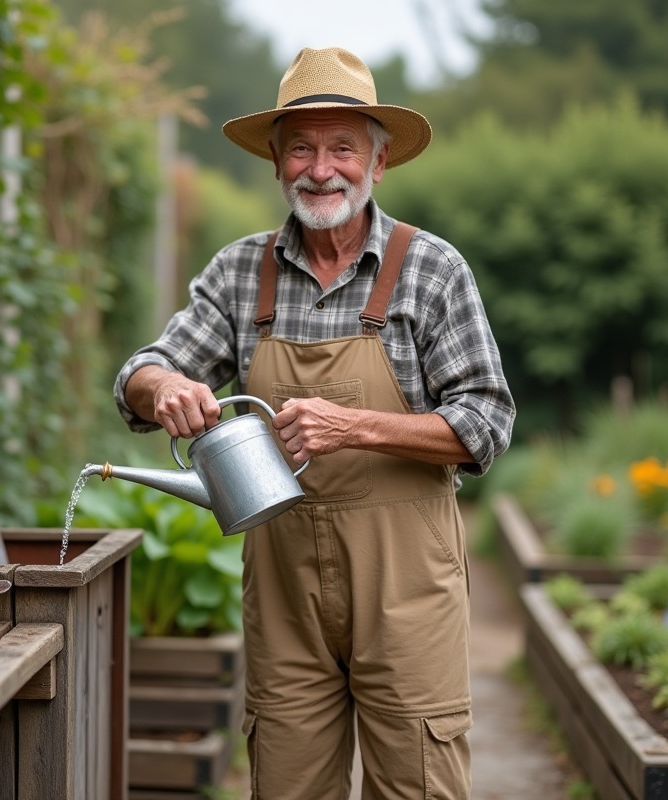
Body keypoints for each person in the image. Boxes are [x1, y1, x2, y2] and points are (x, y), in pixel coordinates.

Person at [113, 46, 514, 799]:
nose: (320, 168)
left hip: (408, 597)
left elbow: (486, 422)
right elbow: (139, 371)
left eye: (341, 147)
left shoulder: (430, 269)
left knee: (418, 785)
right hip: (285, 594)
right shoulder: (242, 272)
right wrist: (161, 386)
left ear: (379, 160)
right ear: (275, 160)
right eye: (300, 146)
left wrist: (353, 426)